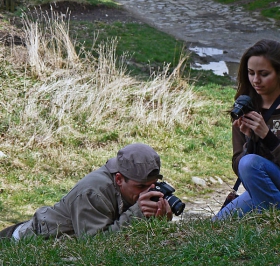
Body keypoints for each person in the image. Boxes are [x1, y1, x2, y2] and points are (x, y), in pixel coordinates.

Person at [0, 143, 172, 239]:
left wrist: (161, 218)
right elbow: (94, 245)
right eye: (141, 187)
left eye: (153, 185)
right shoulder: (93, 192)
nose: (147, 192)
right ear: (119, 179)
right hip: (29, 238)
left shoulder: (133, 187)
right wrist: (137, 214)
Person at [214, 39, 280, 220]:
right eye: (251, 73)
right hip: (262, 190)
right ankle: (270, 212)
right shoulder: (244, 107)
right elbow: (239, 167)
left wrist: (267, 136)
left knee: (250, 163)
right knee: (216, 225)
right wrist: (249, 141)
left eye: (264, 74)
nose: (256, 80)